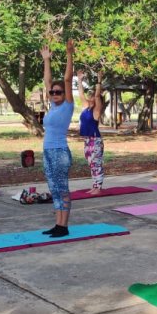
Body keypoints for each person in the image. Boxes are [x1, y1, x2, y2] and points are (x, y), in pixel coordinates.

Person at [39, 40, 75, 238]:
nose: (54, 94)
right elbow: (47, 81)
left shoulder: (67, 105)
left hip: (60, 152)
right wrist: (47, 60)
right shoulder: (53, 106)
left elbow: (67, 79)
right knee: (54, 188)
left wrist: (69, 55)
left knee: (62, 188)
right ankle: (58, 223)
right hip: (48, 151)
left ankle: (64, 225)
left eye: (57, 92)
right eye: (52, 92)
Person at [76, 70, 105, 194]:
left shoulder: (96, 110)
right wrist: (80, 80)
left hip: (95, 140)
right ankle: (94, 185)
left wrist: (99, 80)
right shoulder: (86, 108)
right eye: (91, 94)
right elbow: (81, 94)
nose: (91, 96)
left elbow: (98, 96)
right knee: (91, 164)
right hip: (87, 140)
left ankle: (98, 187)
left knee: (96, 163)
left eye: (93, 95)